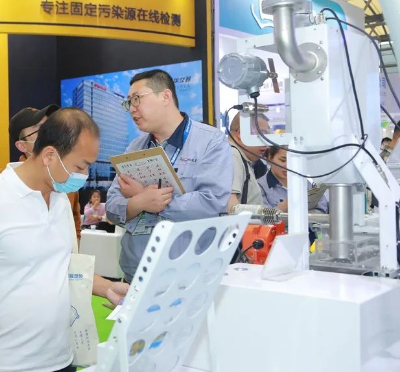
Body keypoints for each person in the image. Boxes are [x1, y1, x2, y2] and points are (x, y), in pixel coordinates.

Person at [0, 108, 129, 372]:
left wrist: (107, 287)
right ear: (50, 155)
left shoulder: (60, 199)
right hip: (5, 368)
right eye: (80, 166)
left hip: (61, 359)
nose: (85, 175)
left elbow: (59, 265)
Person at [106, 69, 233, 283]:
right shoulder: (134, 148)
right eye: (128, 103)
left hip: (187, 275)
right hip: (136, 273)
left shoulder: (210, 141)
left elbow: (211, 202)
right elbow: (111, 206)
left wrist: (158, 203)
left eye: (136, 99)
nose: (132, 109)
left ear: (165, 96)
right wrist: (139, 201)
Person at [0, 105, 83, 244]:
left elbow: (74, 222)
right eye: (40, 130)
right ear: (22, 146)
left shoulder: (67, 179)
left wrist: (73, 247)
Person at [257, 146, 329, 214]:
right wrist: (285, 206)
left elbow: (322, 209)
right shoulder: (260, 186)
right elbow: (263, 218)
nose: (288, 166)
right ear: (270, 158)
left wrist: (304, 217)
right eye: (283, 160)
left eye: (293, 161)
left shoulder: (305, 183)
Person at [226, 112, 270, 213]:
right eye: (261, 135)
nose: (267, 144)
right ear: (241, 134)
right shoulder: (232, 156)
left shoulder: (237, 156)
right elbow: (230, 207)